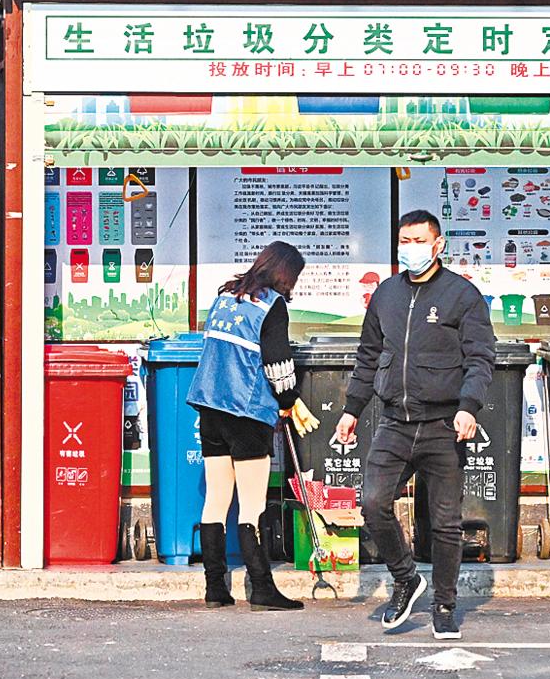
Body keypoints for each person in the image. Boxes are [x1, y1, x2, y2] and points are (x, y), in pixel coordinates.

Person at [331, 211, 496, 640]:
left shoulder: (462, 295)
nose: (411, 248)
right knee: (373, 504)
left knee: (445, 523)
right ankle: (406, 579)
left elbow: (480, 358)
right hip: (395, 423)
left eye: (419, 241)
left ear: (438, 245)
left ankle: (445, 605)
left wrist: (469, 407)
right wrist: (351, 410)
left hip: (444, 425)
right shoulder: (386, 294)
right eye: (404, 241)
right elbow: (369, 356)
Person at [184, 241, 321, 610]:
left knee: (215, 501)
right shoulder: (271, 305)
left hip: (210, 408)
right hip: (245, 411)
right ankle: (262, 588)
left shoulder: (225, 297)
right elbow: (278, 363)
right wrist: (289, 401)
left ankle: (215, 589)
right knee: (252, 505)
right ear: (286, 274)